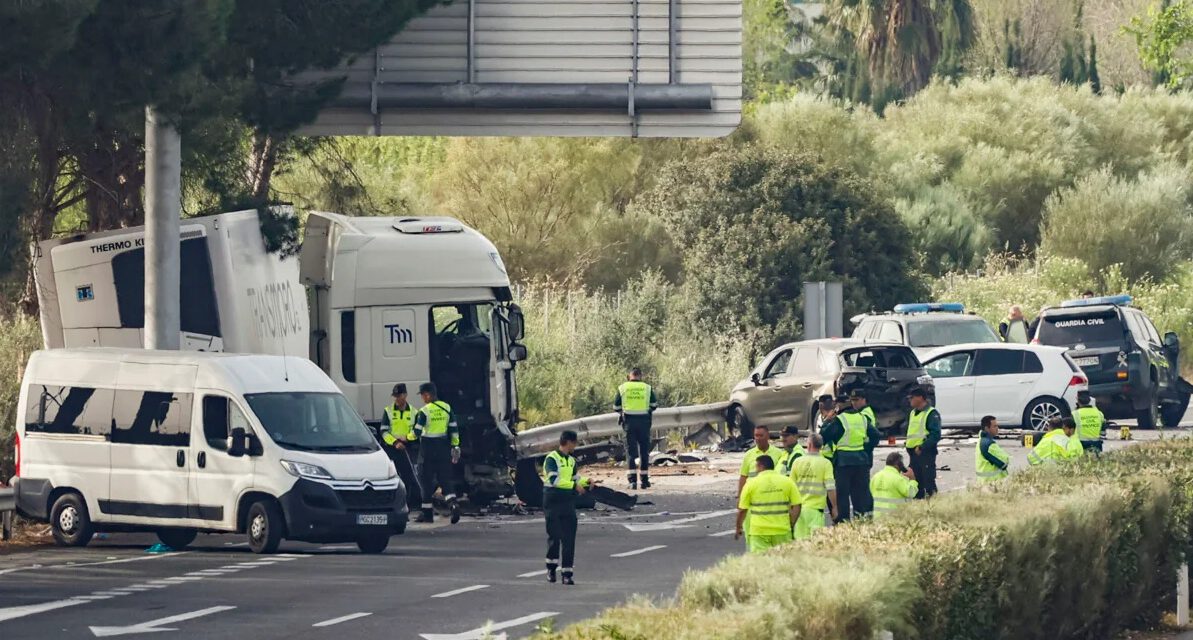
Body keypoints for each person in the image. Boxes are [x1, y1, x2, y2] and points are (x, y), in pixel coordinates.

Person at [543, 429, 594, 585]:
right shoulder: (551, 459)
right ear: (569, 442)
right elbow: (554, 480)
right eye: (575, 443)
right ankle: (551, 569)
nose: (575, 446)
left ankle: (567, 574)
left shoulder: (571, 461)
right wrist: (574, 486)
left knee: (569, 538)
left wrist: (586, 481)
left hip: (567, 502)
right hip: (552, 500)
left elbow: (575, 478)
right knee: (554, 536)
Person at [821, 395, 879, 522]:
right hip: (861, 461)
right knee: (860, 493)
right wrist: (865, 448)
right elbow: (875, 436)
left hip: (843, 462)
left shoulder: (840, 420)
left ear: (839, 407)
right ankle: (862, 520)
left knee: (842, 495)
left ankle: (844, 522)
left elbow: (824, 436)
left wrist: (827, 421)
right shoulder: (862, 418)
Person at [413, 382, 461, 524]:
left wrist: (406, 437)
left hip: (427, 450)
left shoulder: (424, 411)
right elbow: (453, 429)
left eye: (422, 395)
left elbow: (416, 432)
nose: (422, 398)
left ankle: (427, 514)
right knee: (445, 480)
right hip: (443, 448)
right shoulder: (447, 408)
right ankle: (453, 505)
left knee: (425, 482)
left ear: (427, 395)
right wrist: (455, 446)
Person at [734, 455, 798, 553]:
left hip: (759, 531)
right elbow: (797, 505)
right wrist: (792, 523)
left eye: (756, 467)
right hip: (782, 530)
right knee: (783, 562)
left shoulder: (751, 483)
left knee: (761, 564)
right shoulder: (787, 482)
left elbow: (742, 510)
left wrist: (738, 527)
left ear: (761, 466)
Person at [737, 424, 788, 543]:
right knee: (752, 535)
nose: (758, 438)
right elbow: (743, 477)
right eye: (756, 435)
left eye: (761, 435)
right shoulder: (749, 455)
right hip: (752, 500)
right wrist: (740, 498)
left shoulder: (778, 454)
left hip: (771, 499)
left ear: (768, 436)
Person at [615, 367, 659, 490]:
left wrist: (623, 412)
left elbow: (616, 406)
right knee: (644, 451)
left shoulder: (623, 388)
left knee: (630, 452)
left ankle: (632, 482)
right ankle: (644, 481)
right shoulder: (647, 388)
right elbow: (654, 405)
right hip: (644, 422)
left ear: (629, 376)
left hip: (629, 422)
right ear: (640, 376)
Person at [381, 384, 422, 511]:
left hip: (408, 448)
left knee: (410, 477)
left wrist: (408, 438)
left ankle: (410, 504)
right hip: (393, 448)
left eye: (399, 396)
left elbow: (417, 432)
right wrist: (395, 443)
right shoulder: (388, 411)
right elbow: (384, 432)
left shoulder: (414, 412)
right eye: (395, 396)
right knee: (394, 477)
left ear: (405, 395)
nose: (396, 399)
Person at [789, 434, 837, 539]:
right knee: (815, 545)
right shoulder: (825, 463)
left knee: (800, 544)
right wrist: (834, 507)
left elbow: (790, 488)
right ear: (821, 446)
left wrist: (790, 509)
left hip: (799, 511)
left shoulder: (797, 462)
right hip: (816, 511)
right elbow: (830, 488)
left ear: (809, 444)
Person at [905, 388, 941, 499]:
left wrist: (922, 446)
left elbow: (935, 435)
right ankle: (919, 505)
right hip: (913, 454)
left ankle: (934, 504)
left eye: (912, 398)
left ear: (920, 398)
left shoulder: (931, 413)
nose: (910, 400)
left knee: (928, 482)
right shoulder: (913, 413)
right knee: (916, 482)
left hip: (925, 453)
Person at [870, 452, 918, 518]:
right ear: (898, 465)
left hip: (877, 516)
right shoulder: (898, 479)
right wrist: (912, 479)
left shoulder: (875, 477)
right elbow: (911, 493)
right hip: (893, 516)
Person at [976, 415, 1010, 483]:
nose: (997, 428)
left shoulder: (981, 440)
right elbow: (1004, 463)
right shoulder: (989, 444)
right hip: (992, 482)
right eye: (994, 426)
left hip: (984, 481)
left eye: (997, 426)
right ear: (987, 428)